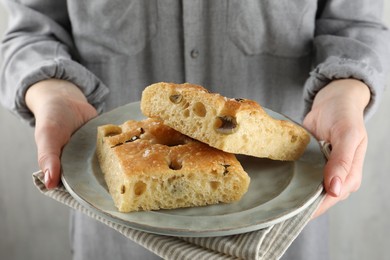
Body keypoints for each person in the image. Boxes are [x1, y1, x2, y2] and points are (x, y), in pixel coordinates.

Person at [1, 0, 389, 259]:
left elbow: (359, 22)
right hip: (114, 236)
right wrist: (51, 91)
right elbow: (30, 29)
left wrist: (344, 92)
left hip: (278, 219)